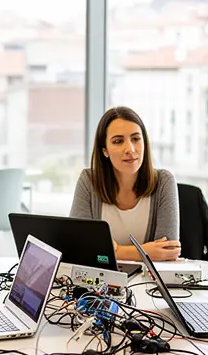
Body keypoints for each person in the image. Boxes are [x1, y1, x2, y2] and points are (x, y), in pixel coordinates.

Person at [70, 106, 181, 261]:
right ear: (105, 150)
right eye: (118, 141)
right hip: (103, 281)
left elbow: (167, 251)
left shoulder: (164, 182)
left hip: (148, 283)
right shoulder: (88, 181)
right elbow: (79, 247)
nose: (129, 148)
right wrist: (144, 252)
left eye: (136, 139)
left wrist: (114, 251)